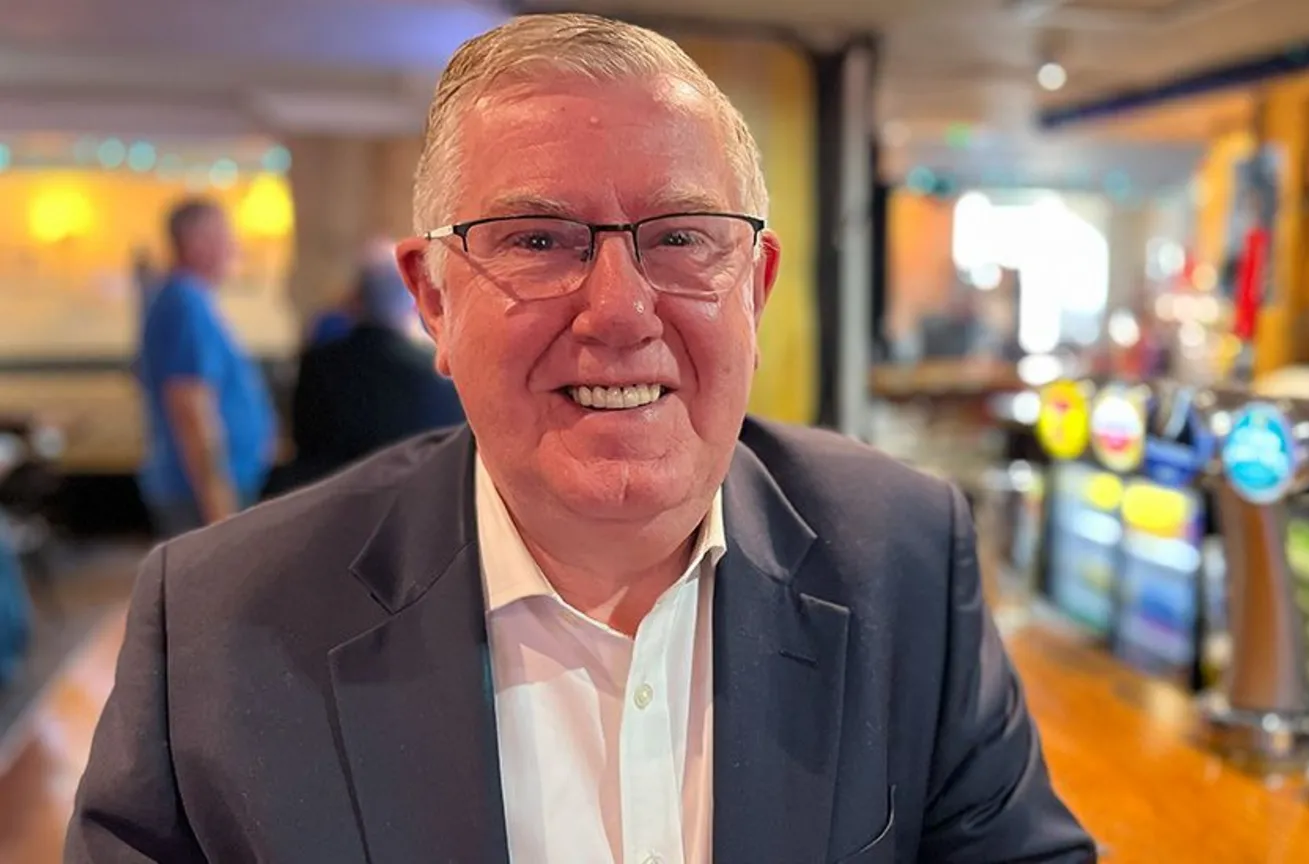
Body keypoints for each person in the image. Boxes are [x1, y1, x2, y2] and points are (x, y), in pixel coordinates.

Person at [67, 14, 1094, 864]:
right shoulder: (218, 624)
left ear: (755, 289)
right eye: (538, 239)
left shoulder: (907, 558)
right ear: (434, 300)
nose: (619, 311)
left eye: (682, 236)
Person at [134, 199, 276, 537]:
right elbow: (191, 409)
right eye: (226, 237)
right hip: (201, 493)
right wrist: (220, 512)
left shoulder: (187, 299)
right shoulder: (184, 303)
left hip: (209, 487)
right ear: (196, 242)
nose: (235, 248)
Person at [277, 254, 464, 491]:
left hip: (329, 495)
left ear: (355, 300)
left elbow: (302, 440)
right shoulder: (436, 374)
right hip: (414, 497)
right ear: (414, 305)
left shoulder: (318, 364)